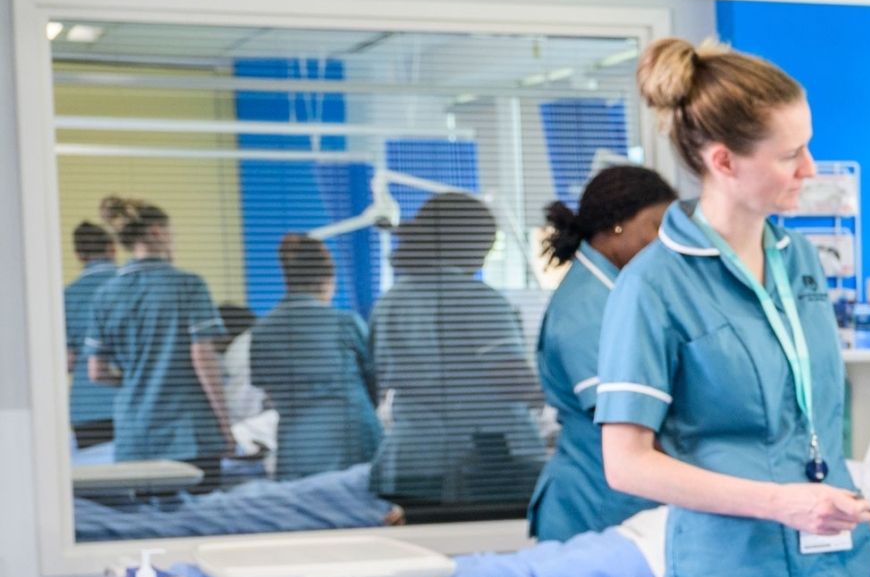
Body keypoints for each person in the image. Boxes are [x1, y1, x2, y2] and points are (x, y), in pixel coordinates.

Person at [596, 38, 870, 577]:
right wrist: (781, 502)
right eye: (790, 155)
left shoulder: (802, 263)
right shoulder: (654, 287)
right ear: (724, 161)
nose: (811, 168)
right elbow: (625, 463)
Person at [369, 190, 545, 514]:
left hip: (408, 460)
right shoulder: (478, 299)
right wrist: (552, 397)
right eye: (487, 245)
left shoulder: (389, 302)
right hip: (475, 461)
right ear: (468, 241)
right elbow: (510, 377)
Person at [529, 163, 675, 540]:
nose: (665, 242)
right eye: (656, 227)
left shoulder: (618, 292)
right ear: (617, 225)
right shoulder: (586, 308)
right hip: (592, 505)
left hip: (616, 498)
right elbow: (625, 419)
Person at [80, 197, 231, 472]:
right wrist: (225, 424)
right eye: (171, 233)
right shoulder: (188, 285)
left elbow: (96, 372)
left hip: (135, 437)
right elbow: (202, 356)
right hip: (186, 434)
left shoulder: (104, 296)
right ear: (157, 232)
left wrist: (140, 378)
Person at [248, 231, 379, 481]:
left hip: (298, 446)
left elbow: (270, 393)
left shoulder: (262, 330)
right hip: (352, 439)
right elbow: (373, 380)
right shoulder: (344, 322)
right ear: (326, 282)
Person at [64, 217, 120, 449]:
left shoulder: (67, 297)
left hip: (86, 409)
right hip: (132, 405)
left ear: (78, 255)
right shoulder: (130, 286)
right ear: (112, 248)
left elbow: (67, 361)